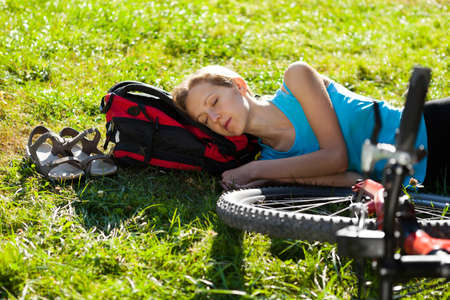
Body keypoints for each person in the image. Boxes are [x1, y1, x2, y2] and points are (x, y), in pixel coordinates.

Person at [171, 62, 450, 190]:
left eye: (215, 101)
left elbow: (336, 157)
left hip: (434, 128)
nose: (216, 117)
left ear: (240, 86)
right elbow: (355, 181)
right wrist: (272, 176)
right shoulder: (273, 160)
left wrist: (253, 170)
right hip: (429, 179)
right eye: (205, 120)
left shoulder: (296, 80)